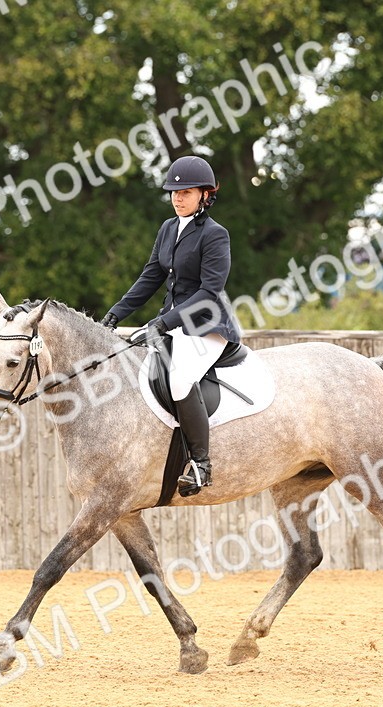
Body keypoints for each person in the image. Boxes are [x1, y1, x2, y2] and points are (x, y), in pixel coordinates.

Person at [100, 155, 242, 496]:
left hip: (207, 326)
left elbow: (209, 291)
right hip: (171, 324)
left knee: (179, 379)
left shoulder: (215, 235)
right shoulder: (167, 228)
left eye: (186, 192)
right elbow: (150, 276)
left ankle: (201, 465)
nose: (178, 198)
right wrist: (115, 314)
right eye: (173, 192)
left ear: (205, 195)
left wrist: (162, 322)